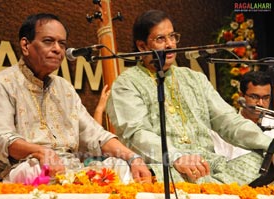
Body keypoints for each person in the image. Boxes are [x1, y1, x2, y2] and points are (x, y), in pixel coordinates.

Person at [0, 13, 152, 184]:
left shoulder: (64, 88)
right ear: (25, 45)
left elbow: (95, 135)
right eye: (48, 41)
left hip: (69, 170)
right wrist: (40, 152)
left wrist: (133, 157)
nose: (58, 49)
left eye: (62, 43)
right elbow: (2, 139)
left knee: (120, 166)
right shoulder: (2, 83)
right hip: (19, 168)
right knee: (33, 170)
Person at [106, 9, 274, 185]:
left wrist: (269, 145)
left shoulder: (195, 79)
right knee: (157, 175)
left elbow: (228, 121)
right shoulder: (127, 83)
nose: (170, 44)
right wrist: (177, 157)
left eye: (172, 36)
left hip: (209, 165)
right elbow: (136, 135)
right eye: (160, 39)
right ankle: (213, 188)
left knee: (263, 160)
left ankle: (212, 187)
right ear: (142, 46)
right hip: (166, 166)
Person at [210, 70, 274, 160]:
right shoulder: (224, 127)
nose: (260, 103)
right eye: (254, 97)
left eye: (266, 98)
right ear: (241, 96)